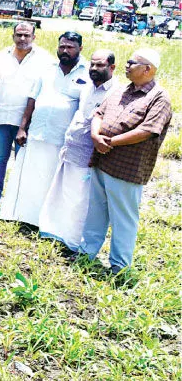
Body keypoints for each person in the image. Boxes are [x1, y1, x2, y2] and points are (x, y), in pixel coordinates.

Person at [79, 49, 172, 275]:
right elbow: (99, 113)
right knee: (96, 210)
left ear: (147, 69)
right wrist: (95, 136)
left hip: (127, 167)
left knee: (123, 218)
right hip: (103, 160)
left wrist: (110, 141)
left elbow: (148, 130)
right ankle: (86, 252)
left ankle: (119, 267)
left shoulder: (159, 98)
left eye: (132, 62)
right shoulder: (122, 89)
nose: (127, 65)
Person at [0, 32, 91, 226]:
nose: (65, 51)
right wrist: (22, 128)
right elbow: (32, 99)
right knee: (31, 177)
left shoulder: (88, 73)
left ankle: (46, 221)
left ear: (80, 49)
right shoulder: (47, 69)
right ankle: (23, 216)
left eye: (70, 47)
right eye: (62, 46)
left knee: (52, 180)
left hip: (63, 138)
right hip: (38, 133)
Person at [39, 50, 117, 252]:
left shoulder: (115, 92)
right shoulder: (87, 87)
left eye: (100, 65)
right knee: (64, 192)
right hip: (71, 149)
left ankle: (75, 241)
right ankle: (59, 232)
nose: (94, 69)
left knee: (81, 200)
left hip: (90, 156)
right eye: (92, 64)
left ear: (112, 67)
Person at [0, 22, 49, 210]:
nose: (22, 39)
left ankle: (17, 203)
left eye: (27, 35)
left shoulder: (44, 59)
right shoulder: (2, 56)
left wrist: (25, 125)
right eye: (19, 35)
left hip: (27, 122)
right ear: (13, 36)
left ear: (34, 37)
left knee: (23, 162)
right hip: (1, 117)